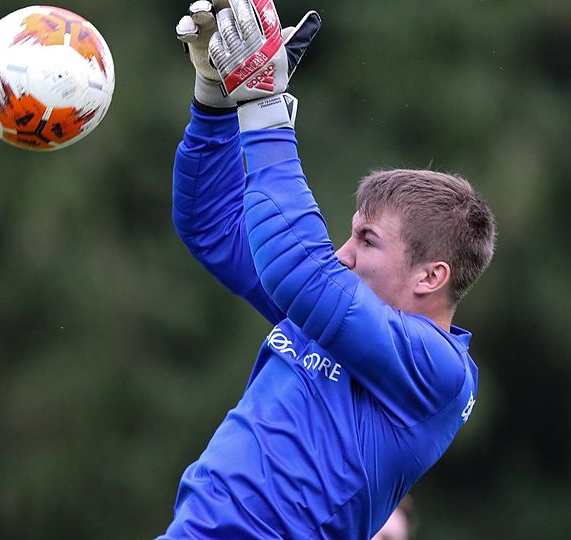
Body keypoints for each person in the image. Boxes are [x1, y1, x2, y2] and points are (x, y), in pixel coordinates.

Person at [160, 0, 495, 537]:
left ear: (431, 277)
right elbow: (212, 224)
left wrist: (264, 105)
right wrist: (217, 104)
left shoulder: (437, 371)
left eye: (368, 241)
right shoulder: (327, 310)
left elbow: (299, 268)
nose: (343, 254)